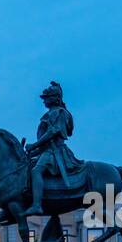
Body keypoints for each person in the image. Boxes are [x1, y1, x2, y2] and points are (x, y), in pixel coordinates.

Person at [25, 81, 85, 216]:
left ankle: (37, 205)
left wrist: (34, 145)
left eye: (46, 98)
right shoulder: (52, 113)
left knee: (36, 171)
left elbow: (53, 132)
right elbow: (45, 142)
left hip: (55, 151)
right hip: (47, 150)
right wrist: (32, 151)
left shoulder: (60, 113)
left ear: (54, 98)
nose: (44, 101)